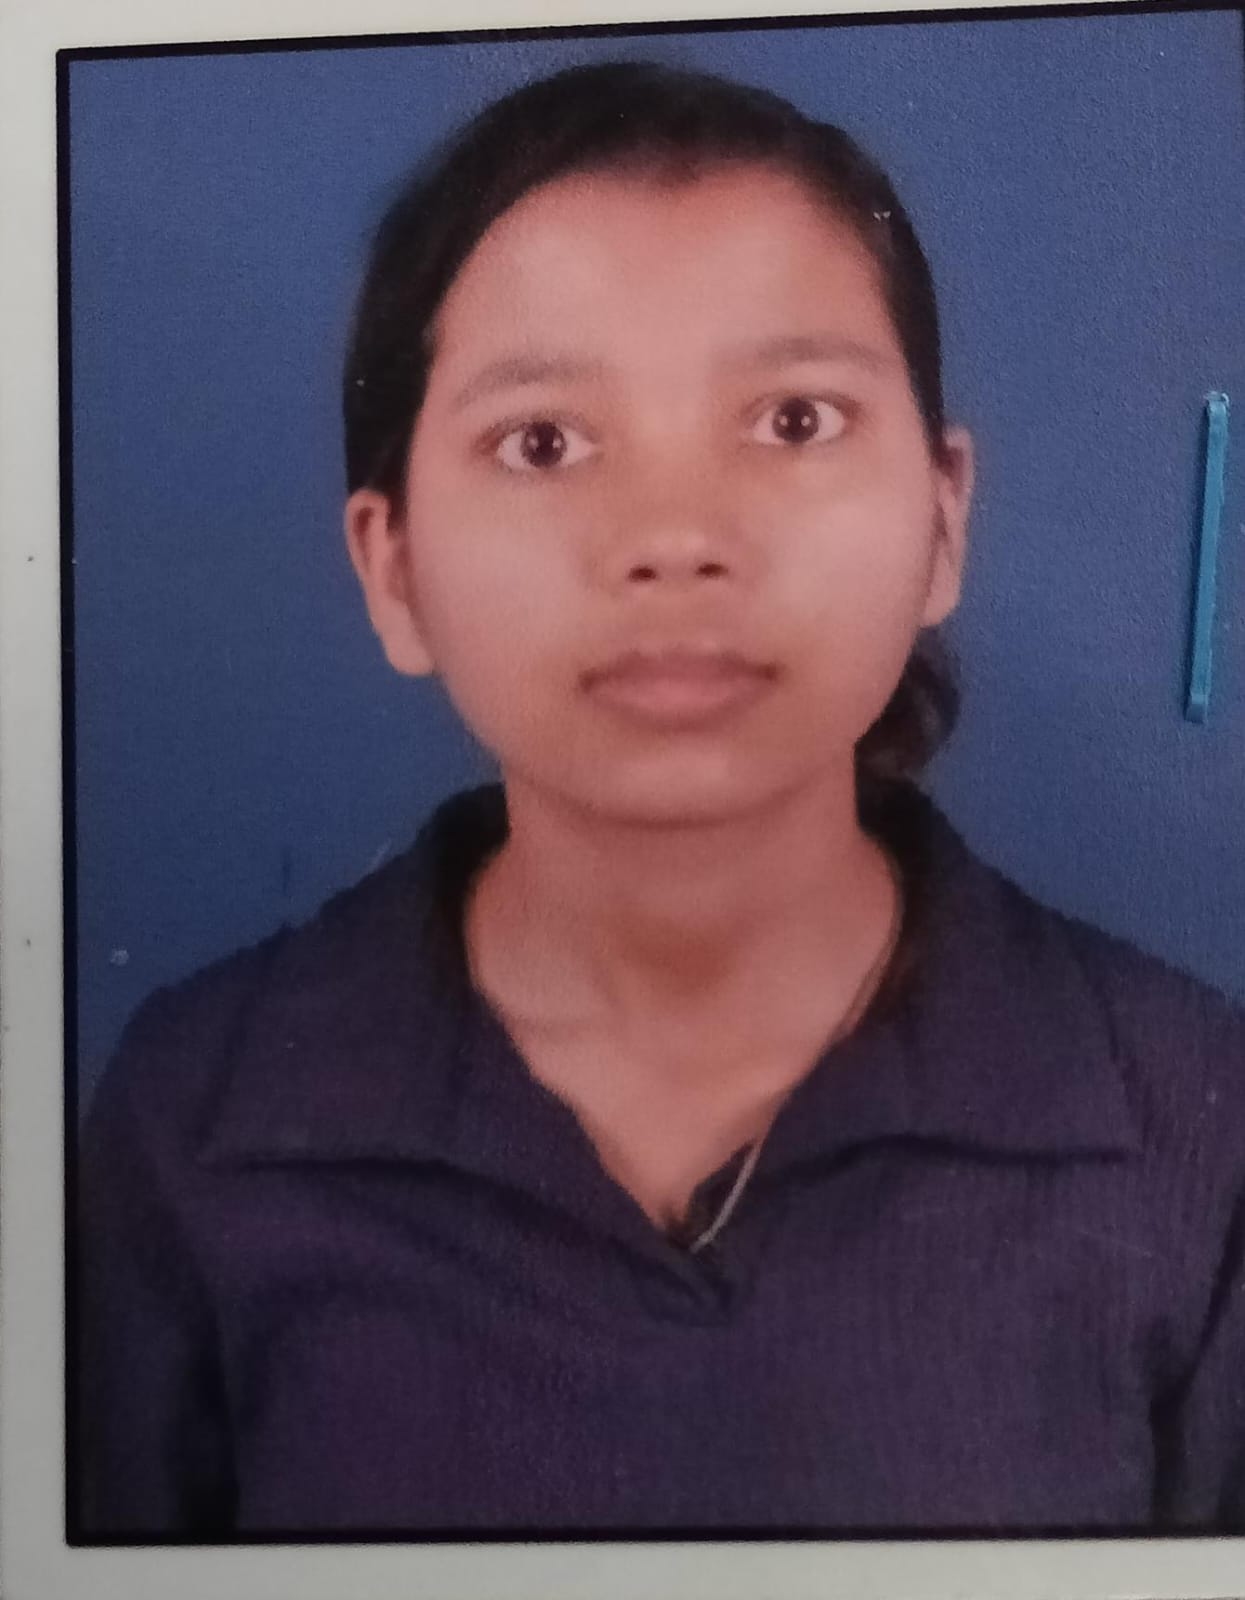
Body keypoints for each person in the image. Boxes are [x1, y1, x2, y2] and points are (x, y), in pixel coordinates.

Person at [75, 59, 1245, 1538]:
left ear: (943, 519)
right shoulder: (198, 1114)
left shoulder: (1194, 1121)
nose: (676, 535)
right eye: (544, 442)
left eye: (795, 420)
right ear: (394, 567)